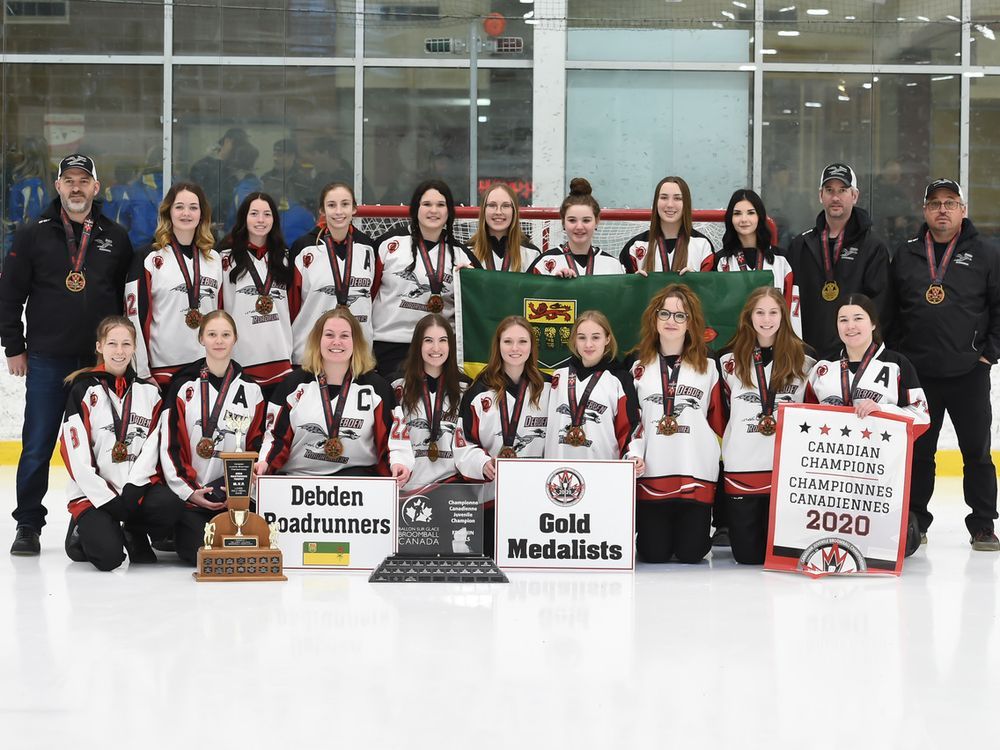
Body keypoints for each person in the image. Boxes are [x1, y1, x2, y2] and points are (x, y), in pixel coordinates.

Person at [0, 153, 133, 555]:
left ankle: (88, 520)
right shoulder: (33, 234)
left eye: (83, 180)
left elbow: (126, 301)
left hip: (97, 363)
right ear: (58, 186)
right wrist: (14, 347)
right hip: (47, 359)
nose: (76, 188)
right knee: (38, 444)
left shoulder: (115, 236)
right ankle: (28, 524)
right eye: (69, 180)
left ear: (96, 187)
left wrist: (121, 354)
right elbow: (9, 295)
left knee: (97, 447)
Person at [889, 179, 1000, 551]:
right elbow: (892, 312)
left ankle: (982, 525)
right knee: (920, 454)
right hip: (918, 375)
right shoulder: (906, 254)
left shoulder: (986, 254)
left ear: (962, 210)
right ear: (924, 210)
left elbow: (998, 308)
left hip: (969, 372)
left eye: (950, 203)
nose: (942, 209)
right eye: (935, 203)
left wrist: (988, 355)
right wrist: (899, 359)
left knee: (977, 453)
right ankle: (915, 521)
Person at [806, 294, 930, 555]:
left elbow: (922, 416)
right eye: (843, 320)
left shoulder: (896, 364)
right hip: (830, 473)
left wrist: (882, 410)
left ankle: (905, 520)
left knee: (894, 548)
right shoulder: (822, 368)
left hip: (876, 473)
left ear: (873, 323)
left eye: (858, 318)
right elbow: (803, 417)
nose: (850, 326)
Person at [59, 316, 181, 570]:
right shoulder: (83, 390)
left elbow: (153, 446)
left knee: (170, 505)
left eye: (126, 344)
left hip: (134, 490)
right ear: (99, 346)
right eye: (112, 343)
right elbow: (75, 454)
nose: (119, 351)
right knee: (109, 559)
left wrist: (134, 487)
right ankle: (82, 529)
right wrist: (106, 498)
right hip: (94, 494)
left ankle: (133, 531)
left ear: (135, 347)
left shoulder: (149, 393)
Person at [159, 311, 266, 565]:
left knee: (245, 547)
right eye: (212, 334)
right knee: (198, 552)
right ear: (201, 339)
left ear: (235, 339)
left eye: (225, 335)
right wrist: (190, 491)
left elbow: (257, 444)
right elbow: (170, 445)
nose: (219, 341)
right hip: (195, 495)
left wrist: (241, 489)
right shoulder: (183, 386)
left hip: (235, 496)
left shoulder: (252, 390)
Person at [628, 285, 724, 563]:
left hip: (694, 471)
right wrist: (633, 455)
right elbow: (633, 420)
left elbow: (718, 421)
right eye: (665, 313)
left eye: (680, 315)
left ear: (691, 322)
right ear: (654, 318)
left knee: (692, 553)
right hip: (652, 472)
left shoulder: (709, 366)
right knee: (653, 554)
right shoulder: (636, 364)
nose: (671, 321)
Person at [258, 308, 410, 483]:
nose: (336, 342)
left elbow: (394, 438)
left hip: (357, 485)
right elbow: (274, 437)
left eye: (344, 336)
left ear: (356, 342)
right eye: (329, 335)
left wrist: (399, 462)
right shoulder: (293, 385)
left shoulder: (377, 388)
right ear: (318, 340)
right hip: (300, 482)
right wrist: (264, 462)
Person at [718, 287, 813, 564]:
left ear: (784, 316)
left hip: (785, 467)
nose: (767, 319)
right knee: (747, 556)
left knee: (782, 555)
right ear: (749, 316)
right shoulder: (727, 359)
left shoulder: (805, 360)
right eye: (760, 312)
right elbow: (721, 412)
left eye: (773, 312)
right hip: (742, 466)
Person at [457, 316, 551, 552]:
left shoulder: (549, 387)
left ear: (532, 346)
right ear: (498, 345)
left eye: (522, 341)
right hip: (492, 497)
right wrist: (482, 463)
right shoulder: (479, 390)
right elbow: (463, 442)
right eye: (508, 341)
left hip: (537, 498)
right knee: (493, 555)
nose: (515, 348)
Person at [371, 179, 478, 375]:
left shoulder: (462, 256)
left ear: (449, 211)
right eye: (427, 204)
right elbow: (367, 293)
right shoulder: (389, 244)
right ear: (416, 208)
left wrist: (471, 280)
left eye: (441, 205)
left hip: (439, 350)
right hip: (390, 346)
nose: (434, 210)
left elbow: (476, 310)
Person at [786, 163, 891, 359]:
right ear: (820, 195)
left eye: (842, 190)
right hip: (806, 355)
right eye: (829, 190)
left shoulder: (873, 247)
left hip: (854, 356)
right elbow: (789, 302)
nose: (835, 197)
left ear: (855, 196)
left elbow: (879, 308)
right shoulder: (801, 245)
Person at [125, 181, 222, 385]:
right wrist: (142, 371)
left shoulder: (214, 259)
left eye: (193, 207)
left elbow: (221, 314)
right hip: (161, 371)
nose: (186, 213)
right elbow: (134, 317)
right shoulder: (148, 257)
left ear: (202, 214)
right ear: (168, 212)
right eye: (179, 207)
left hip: (207, 366)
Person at [289, 182, 379, 363]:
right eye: (331, 205)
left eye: (345, 204)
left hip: (357, 355)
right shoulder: (304, 248)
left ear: (354, 208)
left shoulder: (368, 246)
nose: (338, 211)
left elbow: (373, 295)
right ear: (322, 210)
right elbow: (292, 303)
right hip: (311, 354)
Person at [219, 192, 293, 391]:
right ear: (244, 217)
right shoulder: (225, 258)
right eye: (254, 214)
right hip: (241, 358)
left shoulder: (285, 258)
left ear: (274, 219)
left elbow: (294, 308)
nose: (261, 220)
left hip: (280, 358)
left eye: (267, 214)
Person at [545, 310, 641, 462]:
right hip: (557, 467)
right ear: (574, 340)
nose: (588, 344)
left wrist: (633, 455)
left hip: (602, 469)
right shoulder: (558, 376)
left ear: (607, 339)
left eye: (596, 337)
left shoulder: (619, 379)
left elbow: (630, 426)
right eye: (582, 337)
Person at [391, 314, 468, 491]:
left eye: (443, 340)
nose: (436, 348)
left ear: (451, 345)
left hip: (452, 486)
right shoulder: (397, 386)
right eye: (428, 340)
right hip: (406, 486)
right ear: (418, 344)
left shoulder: (466, 388)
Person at [715, 188, 800, 336]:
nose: (744, 219)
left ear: (759, 216)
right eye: (737, 213)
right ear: (730, 218)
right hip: (735, 342)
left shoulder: (781, 259)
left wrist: (793, 341)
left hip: (774, 341)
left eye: (750, 213)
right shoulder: (720, 260)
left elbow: (792, 306)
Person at [620, 176, 715, 274]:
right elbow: (622, 282)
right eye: (664, 197)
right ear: (656, 202)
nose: (670, 204)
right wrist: (634, 281)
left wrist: (697, 280)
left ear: (686, 203)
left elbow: (711, 283)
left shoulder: (703, 244)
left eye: (677, 198)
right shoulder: (636, 245)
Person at [528, 178, 624, 276]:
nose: (579, 227)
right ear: (563, 222)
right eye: (572, 220)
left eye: (586, 220)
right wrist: (552, 283)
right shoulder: (544, 263)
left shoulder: (613, 265)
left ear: (596, 221)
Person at [468, 183, 540, 272]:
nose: (498, 212)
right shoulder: (466, 252)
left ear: (514, 211)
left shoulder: (531, 253)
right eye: (492, 205)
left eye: (505, 206)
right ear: (484, 210)